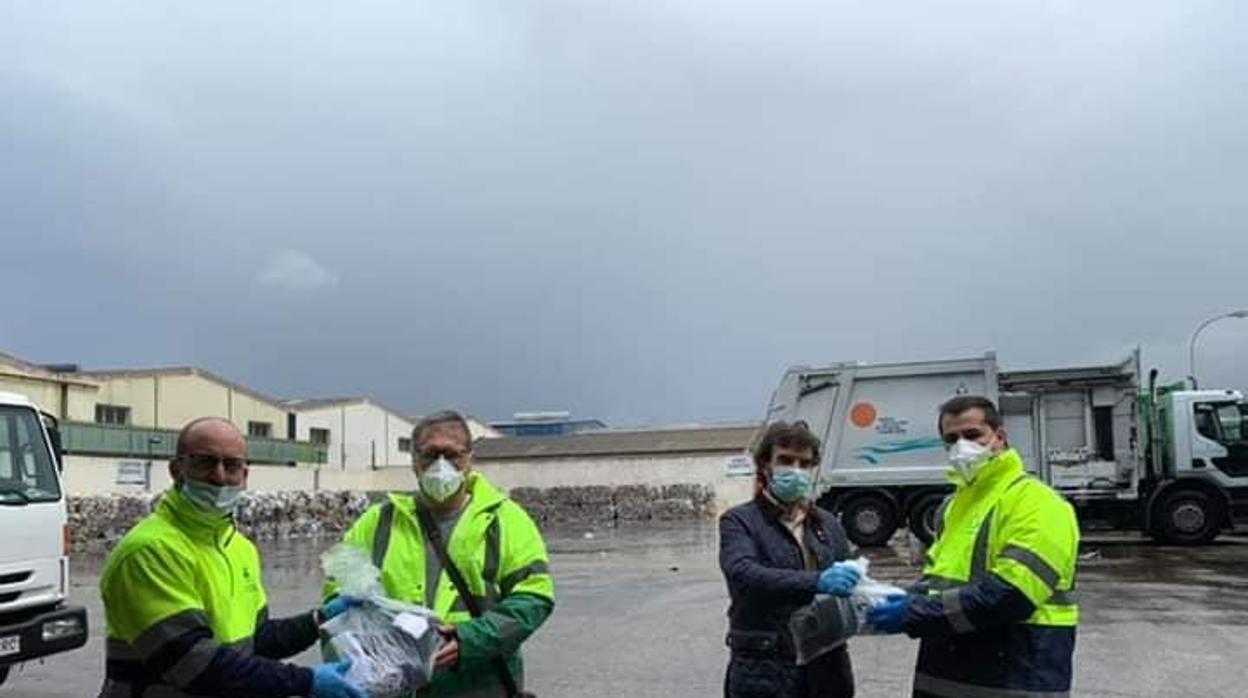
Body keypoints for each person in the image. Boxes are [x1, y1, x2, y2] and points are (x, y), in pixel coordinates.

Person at [98, 417, 368, 698]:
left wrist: (318, 620)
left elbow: (256, 640)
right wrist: (305, 681)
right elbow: (193, 663)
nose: (219, 476)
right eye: (205, 462)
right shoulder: (149, 551)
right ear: (177, 470)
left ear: (245, 475)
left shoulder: (239, 548)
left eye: (231, 465)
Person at [866, 396, 1080, 698]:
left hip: (1016, 674)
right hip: (947, 675)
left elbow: (1012, 595)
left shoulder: (1038, 503)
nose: (961, 446)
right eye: (951, 439)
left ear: (1000, 438)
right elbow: (940, 582)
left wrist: (912, 612)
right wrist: (895, 597)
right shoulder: (954, 507)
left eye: (972, 435)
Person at [331, 410, 554, 697]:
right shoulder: (376, 523)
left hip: (480, 687)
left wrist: (470, 640)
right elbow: (336, 596)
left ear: (469, 460)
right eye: (430, 455)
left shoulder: (506, 520)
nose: (441, 465)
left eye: (452, 455)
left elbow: (535, 598)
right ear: (413, 461)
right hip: (396, 688)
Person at [718, 421, 862, 698]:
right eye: (785, 460)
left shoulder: (827, 523)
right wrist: (817, 581)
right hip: (765, 665)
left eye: (805, 463)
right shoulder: (740, 521)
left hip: (826, 667)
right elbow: (743, 574)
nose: (796, 470)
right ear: (765, 465)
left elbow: (849, 585)